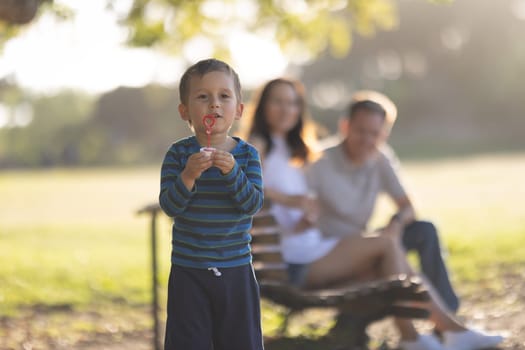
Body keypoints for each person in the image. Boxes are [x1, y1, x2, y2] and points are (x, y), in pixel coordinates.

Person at [241, 77, 503, 350]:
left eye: (292, 102)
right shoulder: (258, 144)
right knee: (387, 245)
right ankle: (437, 333)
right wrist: (290, 200)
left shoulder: (291, 149)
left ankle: (425, 335)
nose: (286, 110)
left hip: (308, 246)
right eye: (278, 102)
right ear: (262, 107)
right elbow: (243, 188)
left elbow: (287, 208)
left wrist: (306, 214)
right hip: (293, 262)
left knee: (396, 252)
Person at [306, 91, 460, 313]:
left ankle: (448, 313)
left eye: (374, 133)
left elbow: (408, 207)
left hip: (366, 244)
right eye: (360, 131)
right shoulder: (317, 160)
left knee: (425, 230)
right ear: (345, 126)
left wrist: (396, 223)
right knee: (386, 247)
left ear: (384, 135)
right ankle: (422, 324)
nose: (367, 140)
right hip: (332, 253)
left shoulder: (381, 157)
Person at [158, 58, 264, 350]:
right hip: (188, 270)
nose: (214, 104)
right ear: (185, 110)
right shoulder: (178, 155)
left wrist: (233, 173)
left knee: (240, 341)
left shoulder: (247, 156)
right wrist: (189, 175)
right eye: (203, 97)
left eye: (224, 96)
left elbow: (252, 204)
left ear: (239, 109)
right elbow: (170, 206)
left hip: (236, 269)